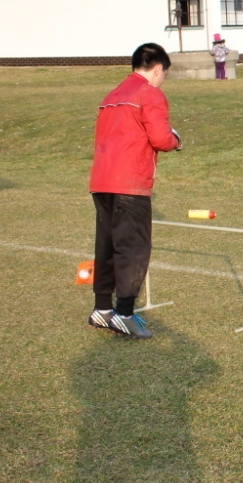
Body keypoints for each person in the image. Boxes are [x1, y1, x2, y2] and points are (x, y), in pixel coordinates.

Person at [87, 43, 182, 339]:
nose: (162, 78)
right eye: (163, 73)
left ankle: (102, 309)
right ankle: (124, 314)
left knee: (107, 245)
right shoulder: (149, 94)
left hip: (101, 180)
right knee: (133, 248)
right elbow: (161, 139)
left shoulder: (111, 96)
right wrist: (176, 140)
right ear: (157, 69)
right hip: (130, 183)